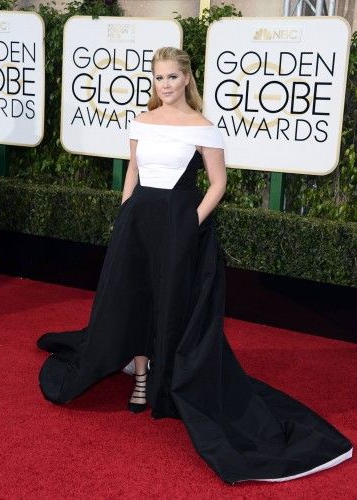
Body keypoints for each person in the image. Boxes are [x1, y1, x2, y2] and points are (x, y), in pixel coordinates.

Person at [37, 47, 352, 484]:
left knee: (170, 302)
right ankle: (142, 376)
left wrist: (190, 225)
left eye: (171, 77)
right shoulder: (141, 121)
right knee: (135, 298)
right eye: (158, 78)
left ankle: (166, 383)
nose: (164, 85)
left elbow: (217, 184)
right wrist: (124, 215)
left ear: (186, 78)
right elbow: (133, 169)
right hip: (137, 222)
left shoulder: (203, 126)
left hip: (178, 224)